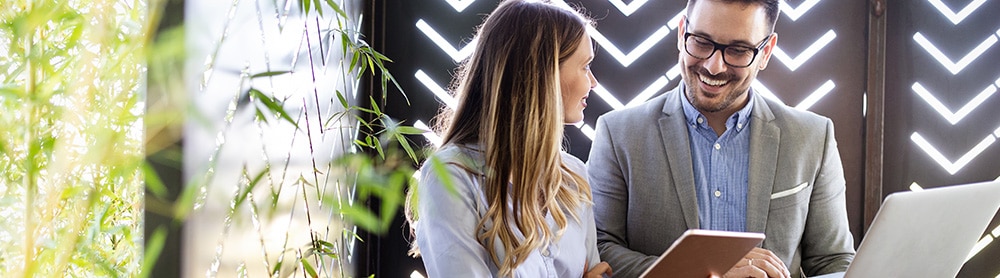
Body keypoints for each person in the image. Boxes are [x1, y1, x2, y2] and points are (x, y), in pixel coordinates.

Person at [586, 0, 856, 277]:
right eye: (702, 42)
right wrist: (697, 273)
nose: (714, 67)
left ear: (766, 52)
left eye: (738, 51)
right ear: (682, 34)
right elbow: (599, 249)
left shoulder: (812, 136)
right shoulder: (618, 133)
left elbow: (834, 262)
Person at [406, 1, 612, 277]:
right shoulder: (451, 179)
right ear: (543, 75)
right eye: (585, 66)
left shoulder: (574, 176)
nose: (594, 82)